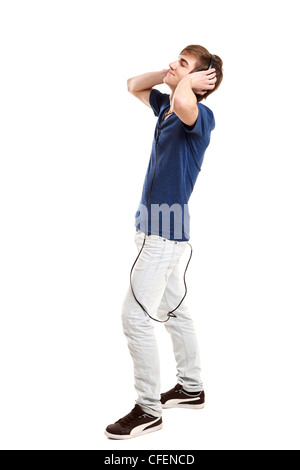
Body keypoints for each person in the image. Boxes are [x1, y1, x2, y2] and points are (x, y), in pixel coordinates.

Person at [105, 44, 223, 440]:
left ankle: (147, 409)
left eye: (185, 64)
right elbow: (132, 85)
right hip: (154, 229)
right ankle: (191, 389)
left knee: (134, 317)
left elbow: (187, 103)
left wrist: (185, 84)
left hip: (163, 233)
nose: (175, 65)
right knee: (174, 310)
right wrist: (172, 74)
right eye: (178, 60)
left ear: (202, 83)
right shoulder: (168, 109)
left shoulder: (198, 114)